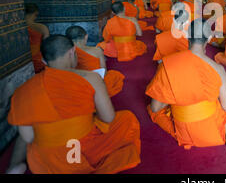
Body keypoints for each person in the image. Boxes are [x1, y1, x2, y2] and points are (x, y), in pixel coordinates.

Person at [7, 35, 141, 174]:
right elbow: (108, 118)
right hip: (78, 152)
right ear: (72, 52)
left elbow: (29, 137)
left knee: (30, 127)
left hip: (44, 161)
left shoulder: (23, 90)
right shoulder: (90, 78)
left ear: (43, 60)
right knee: (127, 119)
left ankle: (15, 166)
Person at [146, 19, 226, 151]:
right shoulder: (218, 69)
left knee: (153, 110)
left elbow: (155, 108)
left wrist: (176, 93)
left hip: (183, 131)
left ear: (188, 37)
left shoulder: (166, 66)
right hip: (212, 129)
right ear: (208, 40)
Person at [66, 26, 124, 97]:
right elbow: (104, 71)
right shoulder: (97, 51)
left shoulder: (66, 53)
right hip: (96, 81)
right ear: (86, 37)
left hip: (76, 82)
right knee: (114, 76)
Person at [25, 3, 50, 73]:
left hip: (22, 63)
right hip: (37, 61)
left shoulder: (15, 28)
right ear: (36, 13)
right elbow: (47, 47)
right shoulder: (42, 28)